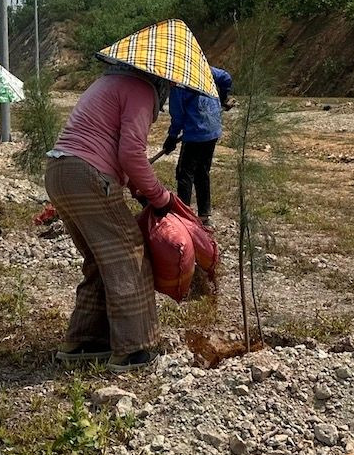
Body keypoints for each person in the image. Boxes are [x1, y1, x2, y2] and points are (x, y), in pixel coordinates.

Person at [45, 62, 177, 373]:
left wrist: (136, 187)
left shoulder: (110, 81)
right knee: (129, 255)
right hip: (88, 174)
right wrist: (160, 197)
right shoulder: (141, 89)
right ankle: (135, 348)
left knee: (98, 260)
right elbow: (131, 153)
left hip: (60, 171)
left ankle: (85, 341)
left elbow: (110, 145)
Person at [160, 66, 233, 227]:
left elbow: (178, 117)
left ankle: (183, 216)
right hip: (212, 129)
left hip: (196, 133)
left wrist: (172, 137)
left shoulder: (178, 83)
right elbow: (225, 76)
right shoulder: (203, 67)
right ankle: (204, 215)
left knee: (184, 173)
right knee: (202, 171)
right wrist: (223, 96)